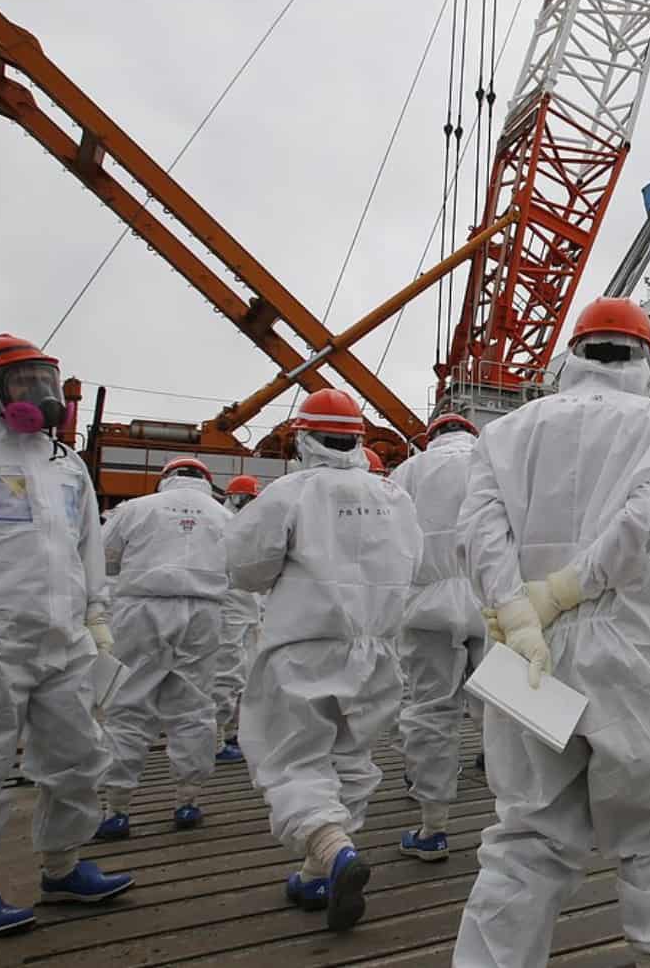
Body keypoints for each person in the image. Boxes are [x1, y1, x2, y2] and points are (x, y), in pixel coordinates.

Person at [453, 299, 650, 968]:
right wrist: (571, 586)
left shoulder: (507, 430)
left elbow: (479, 532)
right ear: (646, 361)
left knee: (526, 832)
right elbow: (648, 514)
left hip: (525, 648)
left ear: (573, 355)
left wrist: (517, 609)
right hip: (625, 639)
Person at [226, 388, 422, 931]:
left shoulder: (291, 492)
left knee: (289, 758)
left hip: (305, 647)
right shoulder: (395, 497)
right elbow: (414, 564)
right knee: (350, 758)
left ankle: (333, 849)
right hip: (376, 652)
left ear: (302, 439)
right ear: (358, 439)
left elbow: (245, 569)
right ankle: (318, 873)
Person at [0, 333, 132, 939]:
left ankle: (62, 867)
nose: (39, 395)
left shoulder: (67, 466)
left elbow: (87, 546)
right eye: (23, 383)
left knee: (79, 756)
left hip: (64, 635)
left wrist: (96, 617)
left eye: (45, 381)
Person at [95, 456, 232, 837]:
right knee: (194, 707)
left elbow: (105, 558)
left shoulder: (135, 509)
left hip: (141, 607)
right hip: (203, 612)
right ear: (206, 480)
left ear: (165, 478)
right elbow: (240, 565)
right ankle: (187, 801)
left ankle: (116, 809)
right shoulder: (224, 516)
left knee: (127, 704)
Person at [390, 412, 485, 862]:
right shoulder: (494, 459)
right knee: (509, 705)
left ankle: (433, 827)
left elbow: (391, 543)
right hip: (491, 598)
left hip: (426, 603)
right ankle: (524, 820)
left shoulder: (406, 472)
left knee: (430, 709)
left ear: (431, 439)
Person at [214, 474, 263, 764]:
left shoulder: (247, 526)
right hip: (230, 609)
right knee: (226, 672)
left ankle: (232, 731)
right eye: (247, 499)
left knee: (246, 673)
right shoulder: (225, 523)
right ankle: (215, 739)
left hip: (246, 610)